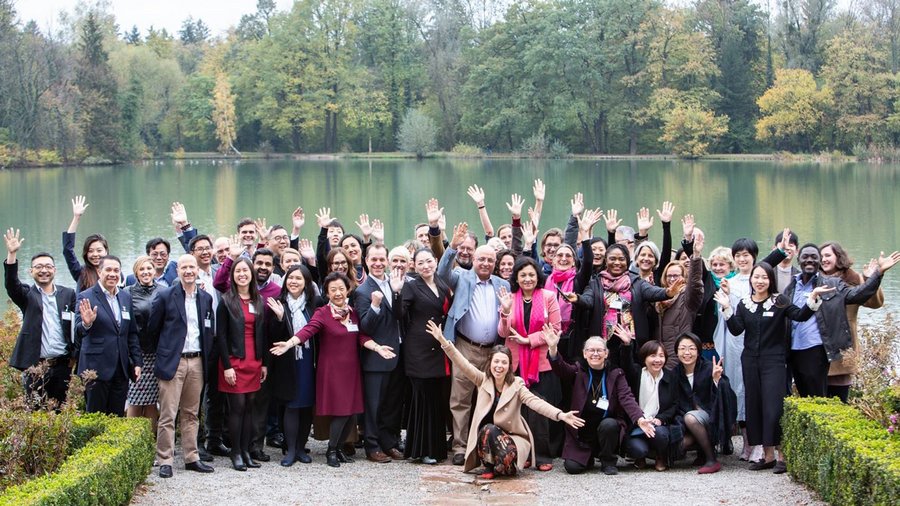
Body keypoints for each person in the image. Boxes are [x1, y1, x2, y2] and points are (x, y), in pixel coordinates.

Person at [425, 321, 584, 479]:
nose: (499, 366)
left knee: (497, 444)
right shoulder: (483, 380)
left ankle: (502, 466)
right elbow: (462, 362)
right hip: (487, 439)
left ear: (509, 365)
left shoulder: (516, 384)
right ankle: (489, 465)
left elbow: (535, 402)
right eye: (496, 361)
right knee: (488, 429)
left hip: (512, 440)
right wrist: (443, 341)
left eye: (504, 362)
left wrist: (560, 415)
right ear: (490, 363)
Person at [715, 263, 832, 473]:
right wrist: (727, 307)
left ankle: (782, 456)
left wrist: (812, 297)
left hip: (774, 361)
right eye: (756, 277)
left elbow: (800, 316)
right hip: (750, 360)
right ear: (751, 279)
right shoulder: (744, 303)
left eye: (764, 278)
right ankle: (766, 456)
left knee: (774, 407)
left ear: (771, 280)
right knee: (755, 405)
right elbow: (736, 330)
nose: (760, 281)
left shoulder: (780, 301)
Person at [270, 272, 395, 468]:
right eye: (333, 290)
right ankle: (331, 450)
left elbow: (361, 337)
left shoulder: (352, 313)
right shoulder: (322, 313)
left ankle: (337, 449)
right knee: (342, 412)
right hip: (332, 371)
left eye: (341, 289)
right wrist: (289, 343)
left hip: (351, 370)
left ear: (348, 290)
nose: (338, 293)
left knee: (351, 411)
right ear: (326, 293)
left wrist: (378, 348)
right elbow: (308, 330)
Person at [438, 223, 511, 465]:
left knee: (489, 398)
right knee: (460, 399)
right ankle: (460, 447)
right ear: (475, 259)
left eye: (490, 260)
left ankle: (484, 445)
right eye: (481, 259)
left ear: (495, 263)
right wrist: (453, 247)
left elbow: (506, 316)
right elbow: (441, 274)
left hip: (493, 350)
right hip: (465, 347)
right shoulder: (461, 277)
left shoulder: (503, 284)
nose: (485, 264)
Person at [783, 245, 897, 398]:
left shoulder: (833, 284)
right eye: (805, 257)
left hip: (822, 352)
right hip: (795, 352)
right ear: (799, 260)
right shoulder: (792, 286)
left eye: (815, 257)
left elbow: (859, 295)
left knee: (823, 401)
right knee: (805, 400)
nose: (810, 260)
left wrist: (877, 273)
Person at [546, 331, 653, 475]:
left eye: (599, 350)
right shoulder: (578, 371)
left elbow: (626, 397)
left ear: (606, 353)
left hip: (606, 428)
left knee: (609, 424)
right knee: (572, 468)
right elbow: (561, 369)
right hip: (582, 431)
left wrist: (640, 419)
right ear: (584, 353)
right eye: (591, 350)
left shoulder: (616, 373)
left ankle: (607, 461)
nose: (595, 354)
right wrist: (553, 349)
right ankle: (587, 457)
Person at [148, 255, 216, 478]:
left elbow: (208, 331)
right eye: (184, 267)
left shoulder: (205, 298)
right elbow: (152, 330)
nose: (188, 271)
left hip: (197, 361)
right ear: (177, 270)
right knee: (168, 413)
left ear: (198, 270)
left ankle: (191, 456)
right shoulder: (165, 296)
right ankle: (165, 459)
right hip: (173, 361)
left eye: (192, 267)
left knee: (192, 412)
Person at [497, 257, 562, 471]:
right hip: (515, 363)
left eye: (531, 275)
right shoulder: (510, 298)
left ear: (538, 277)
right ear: (516, 277)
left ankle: (542, 455)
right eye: (523, 275)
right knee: (518, 410)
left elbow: (555, 329)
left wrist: (530, 340)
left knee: (539, 409)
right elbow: (503, 333)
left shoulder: (548, 297)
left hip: (540, 362)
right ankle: (523, 452)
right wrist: (505, 312)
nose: (527, 279)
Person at [568, 244, 681, 364]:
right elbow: (588, 300)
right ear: (606, 261)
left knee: (631, 373)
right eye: (612, 259)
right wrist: (578, 299)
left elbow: (653, 292)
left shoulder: (636, 282)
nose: (617, 262)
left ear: (627, 261)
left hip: (632, 340)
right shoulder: (596, 283)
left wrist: (668, 292)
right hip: (604, 341)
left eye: (621, 259)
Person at [392, 248, 453, 464]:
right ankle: (421, 449)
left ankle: (435, 448)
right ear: (414, 266)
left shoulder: (442, 283)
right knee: (422, 399)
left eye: (429, 261)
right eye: (420, 263)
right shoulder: (411, 285)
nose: (425, 266)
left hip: (439, 347)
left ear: (435, 262)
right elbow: (399, 314)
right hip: (418, 348)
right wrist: (396, 293)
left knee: (436, 399)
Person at [4, 228, 77, 408]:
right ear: (31, 272)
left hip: (62, 365)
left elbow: (76, 328)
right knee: (36, 412)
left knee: (60, 414)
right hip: (36, 366)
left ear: (54, 270)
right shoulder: (27, 295)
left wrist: (75, 355)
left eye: (48, 266)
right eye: (38, 267)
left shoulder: (68, 294)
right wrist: (12, 254)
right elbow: (12, 284)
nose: (43, 270)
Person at [265, 264, 324, 466]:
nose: (294, 282)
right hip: (287, 361)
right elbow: (271, 335)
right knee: (291, 405)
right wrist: (280, 318)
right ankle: (289, 450)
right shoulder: (278, 303)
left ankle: (301, 447)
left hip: (309, 360)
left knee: (306, 405)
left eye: (299, 278)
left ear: (306, 282)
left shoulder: (314, 303)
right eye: (290, 278)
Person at [215, 257, 268, 471]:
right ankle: (235, 453)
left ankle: (246, 451)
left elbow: (263, 334)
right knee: (236, 408)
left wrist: (263, 363)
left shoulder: (258, 301)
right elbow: (221, 337)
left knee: (249, 409)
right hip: (234, 362)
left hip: (254, 362)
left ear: (252, 274)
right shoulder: (226, 301)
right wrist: (227, 366)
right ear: (233, 275)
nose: (242, 274)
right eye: (238, 271)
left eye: (246, 271)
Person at [354, 244, 405, 463]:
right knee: (373, 405)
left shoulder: (395, 283)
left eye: (381, 259)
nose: (377, 263)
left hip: (398, 353)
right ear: (366, 261)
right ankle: (372, 445)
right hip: (375, 357)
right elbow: (365, 327)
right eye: (373, 259)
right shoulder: (362, 291)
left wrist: (396, 292)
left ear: (387, 261)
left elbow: (401, 315)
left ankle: (389, 442)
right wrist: (375, 305)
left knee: (391, 404)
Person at [74, 255, 143, 415]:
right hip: (95, 369)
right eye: (108, 270)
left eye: (116, 270)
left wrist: (137, 362)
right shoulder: (86, 296)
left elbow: (131, 333)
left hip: (121, 368)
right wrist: (87, 323)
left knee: (117, 417)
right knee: (95, 417)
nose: (113, 274)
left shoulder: (125, 296)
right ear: (99, 272)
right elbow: (77, 332)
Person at [819, 242, 886, 402]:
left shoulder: (853, 279)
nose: (824, 259)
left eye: (828, 255)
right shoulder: (813, 279)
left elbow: (875, 304)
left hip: (843, 350)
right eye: (821, 256)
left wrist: (870, 278)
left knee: (839, 403)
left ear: (839, 257)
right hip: (817, 349)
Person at [670, 333, 729, 474]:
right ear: (677, 352)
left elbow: (724, 399)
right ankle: (701, 453)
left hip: (710, 417)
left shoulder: (709, 368)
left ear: (698, 350)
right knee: (678, 446)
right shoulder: (675, 373)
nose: (687, 353)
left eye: (692, 348)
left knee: (691, 418)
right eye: (682, 348)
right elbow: (673, 402)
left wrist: (716, 380)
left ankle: (711, 460)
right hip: (684, 418)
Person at [620, 338, 679, 471]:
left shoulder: (670, 376)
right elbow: (626, 364)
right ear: (644, 357)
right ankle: (641, 456)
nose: (657, 360)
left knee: (661, 435)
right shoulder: (637, 373)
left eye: (661, 356)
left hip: (657, 425)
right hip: (637, 424)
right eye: (653, 355)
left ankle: (660, 455)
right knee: (638, 449)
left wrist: (661, 419)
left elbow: (675, 404)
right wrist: (626, 345)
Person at [654, 215, 704, 369]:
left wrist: (695, 257)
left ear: (684, 277)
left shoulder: (687, 299)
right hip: (658, 357)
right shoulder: (658, 299)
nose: (672, 279)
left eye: (676, 275)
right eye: (669, 276)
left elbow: (695, 284)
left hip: (679, 357)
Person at [125, 256, 161, 433]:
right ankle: (132, 440)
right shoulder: (127, 293)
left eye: (149, 268)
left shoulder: (164, 290)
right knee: (135, 399)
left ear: (154, 271)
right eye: (142, 269)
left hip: (157, 353)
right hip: (137, 353)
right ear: (136, 272)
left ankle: (150, 443)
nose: (146, 272)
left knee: (152, 400)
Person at [62, 195, 108, 292]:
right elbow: (67, 250)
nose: (95, 254)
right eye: (90, 251)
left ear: (106, 251)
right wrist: (76, 217)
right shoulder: (81, 272)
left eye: (99, 250)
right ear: (86, 254)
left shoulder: (113, 271)